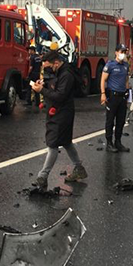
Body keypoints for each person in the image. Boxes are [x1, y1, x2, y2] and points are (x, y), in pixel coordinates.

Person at [31, 51, 87, 189]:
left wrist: (41, 91)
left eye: (48, 66)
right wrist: (44, 85)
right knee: (66, 142)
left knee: (53, 144)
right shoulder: (59, 72)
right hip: (60, 112)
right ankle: (79, 168)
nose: (47, 70)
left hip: (62, 113)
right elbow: (54, 86)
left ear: (56, 62)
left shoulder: (66, 75)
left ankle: (42, 176)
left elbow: (60, 96)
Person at [101, 44, 131, 153]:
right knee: (110, 120)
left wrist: (128, 93)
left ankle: (118, 141)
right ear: (116, 52)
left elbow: (127, 79)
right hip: (112, 95)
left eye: (124, 52)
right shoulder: (110, 65)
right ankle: (109, 143)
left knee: (121, 120)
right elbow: (103, 79)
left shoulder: (125, 65)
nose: (123, 54)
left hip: (122, 96)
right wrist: (103, 94)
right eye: (121, 52)